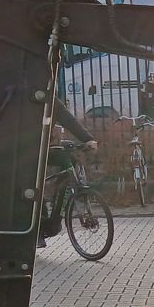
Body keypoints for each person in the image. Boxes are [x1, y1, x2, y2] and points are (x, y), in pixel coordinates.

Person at [39, 100, 97, 247]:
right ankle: (38, 227)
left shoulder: (51, 99)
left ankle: (59, 206)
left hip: (46, 147)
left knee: (69, 159)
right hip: (26, 149)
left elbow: (68, 120)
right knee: (33, 183)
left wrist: (88, 139)